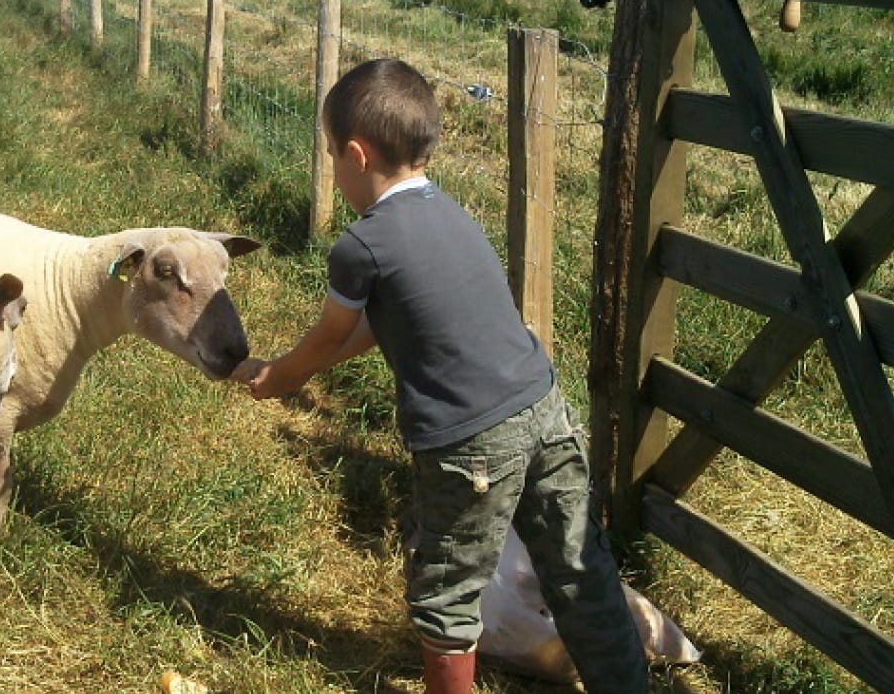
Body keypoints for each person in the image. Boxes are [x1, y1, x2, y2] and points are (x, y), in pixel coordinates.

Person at [235, 58, 649, 694]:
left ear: (354, 154)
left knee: (447, 591)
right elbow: (385, 326)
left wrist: (281, 376)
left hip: (471, 439)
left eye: (330, 155)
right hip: (541, 405)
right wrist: (304, 369)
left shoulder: (361, 246)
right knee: (577, 565)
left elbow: (329, 334)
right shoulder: (449, 214)